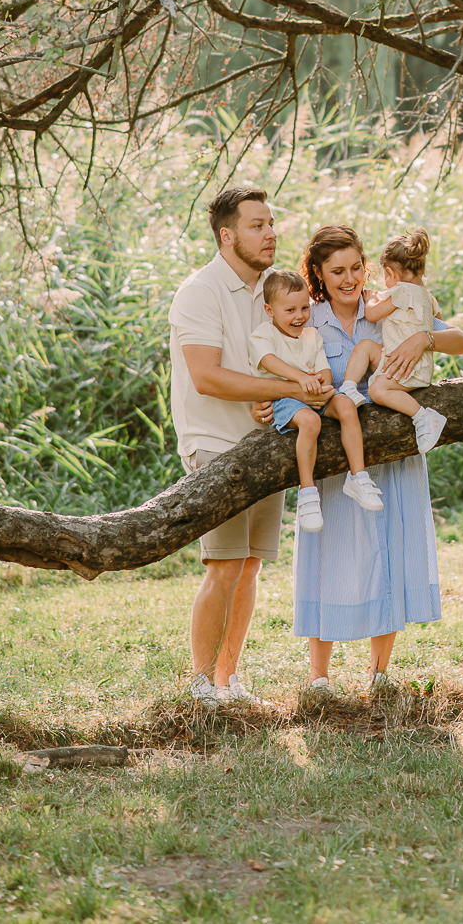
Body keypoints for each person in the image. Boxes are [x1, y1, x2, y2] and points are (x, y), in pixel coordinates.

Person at [252, 225, 463, 695]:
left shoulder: (391, 304)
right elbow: (275, 367)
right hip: (334, 462)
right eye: (337, 271)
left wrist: (423, 339)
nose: (349, 278)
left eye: (356, 267)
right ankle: (319, 678)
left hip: (391, 459)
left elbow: (462, 340)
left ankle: (380, 673)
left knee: (387, 552)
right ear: (318, 274)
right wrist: (266, 402)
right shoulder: (306, 317)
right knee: (327, 556)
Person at [169, 186, 334, 708]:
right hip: (214, 445)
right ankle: (201, 686)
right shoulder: (200, 292)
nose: (270, 234)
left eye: (271, 224)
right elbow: (206, 376)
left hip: (266, 442)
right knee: (223, 564)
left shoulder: (272, 288)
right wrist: (289, 389)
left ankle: (228, 681)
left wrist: (276, 398)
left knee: (250, 566)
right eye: (257, 225)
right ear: (227, 234)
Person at [249, 269, 383, 532]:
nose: (299, 316)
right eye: (290, 310)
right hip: (285, 399)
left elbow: (324, 370)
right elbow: (268, 360)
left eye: (303, 308)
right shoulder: (264, 334)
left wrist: (322, 385)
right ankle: (308, 492)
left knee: (346, 404)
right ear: (270, 310)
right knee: (310, 422)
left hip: (315, 393)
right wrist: (300, 378)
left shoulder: (312, 335)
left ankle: (358, 476)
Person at [341, 226, 448, 454]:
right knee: (367, 346)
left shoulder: (400, 291)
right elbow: (441, 328)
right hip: (415, 365)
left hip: (407, 368)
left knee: (377, 391)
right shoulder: (428, 297)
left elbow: (372, 314)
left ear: (390, 273)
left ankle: (423, 416)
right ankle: (349, 387)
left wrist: (370, 299)